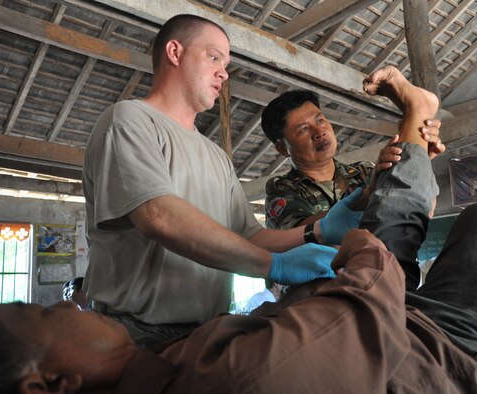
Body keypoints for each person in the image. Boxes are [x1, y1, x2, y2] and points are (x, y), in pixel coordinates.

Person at [0, 67, 477, 393]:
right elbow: (343, 280)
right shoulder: (278, 193)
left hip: (399, 313)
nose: (320, 133)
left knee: (448, 213)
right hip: (395, 328)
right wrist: (338, 235)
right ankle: (417, 115)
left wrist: (390, 176)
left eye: (323, 122)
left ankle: (416, 122)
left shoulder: (177, 356)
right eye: (43, 313)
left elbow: (363, 225)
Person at [82, 14, 362, 345]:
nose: (224, 72)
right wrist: (273, 265)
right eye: (214, 57)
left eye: (225, 63)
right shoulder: (130, 121)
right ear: (175, 52)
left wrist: (317, 230)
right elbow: (159, 216)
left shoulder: (216, 155)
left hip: (205, 331)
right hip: (133, 333)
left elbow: (251, 236)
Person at [260, 89, 445, 290]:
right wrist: (367, 197)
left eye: (320, 120)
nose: (319, 132)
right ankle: (417, 108)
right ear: (282, 148)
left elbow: (421, 212)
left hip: (385, 274)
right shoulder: (282, 190)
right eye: (303, 129)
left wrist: (418, 165)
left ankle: (417, 111)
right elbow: (302, 235)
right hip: (322, 292)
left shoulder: (363, 171)